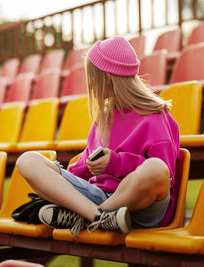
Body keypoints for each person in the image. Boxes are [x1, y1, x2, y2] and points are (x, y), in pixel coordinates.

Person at [16, 36, 180, 237]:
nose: (90, 83)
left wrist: (116, 163)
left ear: (107, 78)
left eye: (92, 76)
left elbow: (164, 177)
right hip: (98, 198)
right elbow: (82, 171)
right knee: (28, 160)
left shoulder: (156, 117)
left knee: (156, 167)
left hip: (140, 208)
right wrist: (81, 170)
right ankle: (97, 218)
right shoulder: (104, 118)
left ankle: (85, 217)